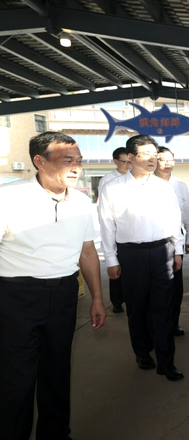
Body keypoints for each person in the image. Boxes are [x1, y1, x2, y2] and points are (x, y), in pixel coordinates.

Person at [0, 132, 106, 440]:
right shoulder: (9, 197)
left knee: (57, 371)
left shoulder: (83, 202)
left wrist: (98, 299)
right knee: (16, 379)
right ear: (39, 161)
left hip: (63, 294)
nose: (76, 168)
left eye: (79, 161)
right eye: (67, 161)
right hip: (14, 297)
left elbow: (87, 252)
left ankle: (56, 433)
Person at [98, 135, 185, 381]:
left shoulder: (163, 187)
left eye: (154, 154)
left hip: (162, 252)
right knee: (136, 307)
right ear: (132, 157)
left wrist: (177, 250)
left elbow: (174, 219)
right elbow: (107, 225)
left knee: (163, 307)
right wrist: (112, 260)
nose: (152, 159)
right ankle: (142, 352)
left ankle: (166, 361)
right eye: (146, 154)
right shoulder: (113, 187)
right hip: (131, 254)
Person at [155, 146, 189, 337]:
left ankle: (173, 323)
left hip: (175, 239)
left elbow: (187, 211)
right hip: (153, 239)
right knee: (155, 289)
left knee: (175, 287)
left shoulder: (179, 184)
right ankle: (156, 326)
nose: (168, 163)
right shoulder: (147, 184)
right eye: (163, 159)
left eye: (171, 159)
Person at [97, 147, 132, 314]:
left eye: (129, 162)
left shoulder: (136, 179)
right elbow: (104, 211)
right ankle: (117, 301)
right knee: (116, 265)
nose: (127, 165)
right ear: (115, 161)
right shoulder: (107, 181)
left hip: (131, 231)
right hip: (116, 231)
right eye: (124, 162)